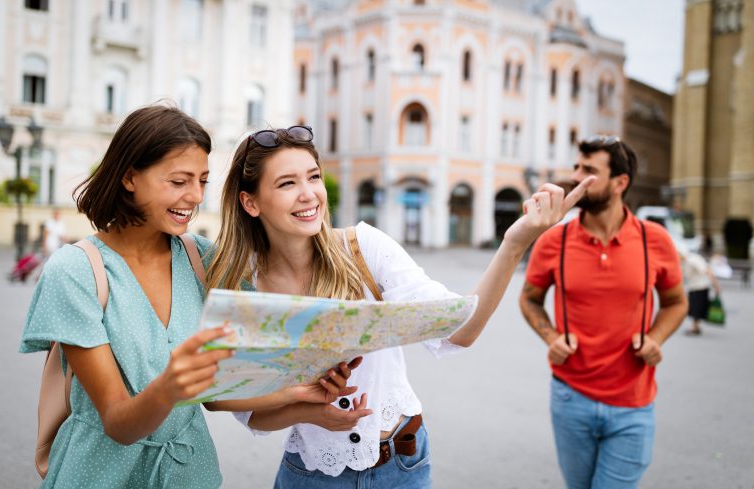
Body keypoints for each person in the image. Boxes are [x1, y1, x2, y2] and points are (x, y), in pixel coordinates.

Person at [204, 125, 594, 488]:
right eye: (287, 183)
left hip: (401, 467)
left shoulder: (363, 248)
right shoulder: (244, 286)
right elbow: (243, 407)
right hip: (310, 473)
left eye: (314, 176)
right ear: (250, 202)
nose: (309, 194)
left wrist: (514, 243)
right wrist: (309, 409)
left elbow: (460, 331)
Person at [19, 105, 361, 488]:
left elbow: (215, 395)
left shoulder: (202, 259)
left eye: (203, 181)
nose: (195, 196)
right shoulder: (74, 271)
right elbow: (118, 423)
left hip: (189, 474)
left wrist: (297, 396)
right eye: (179, 181)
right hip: (98, 474)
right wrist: (170, 387)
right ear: (130, 177)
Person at [519, 135, 688, 489]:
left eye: (589, 170)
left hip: (633, 403)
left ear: (619, 183)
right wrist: (551, 337)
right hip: (570, 399)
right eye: (576, 167)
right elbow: (530, 298)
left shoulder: (655, 240)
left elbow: (676, 301)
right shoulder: (553, 241)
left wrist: (656, 338)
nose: (576, 176)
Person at [680, 248, 722, 335]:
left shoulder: (693, 260)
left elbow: (708, 271)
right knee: (693, 307)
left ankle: (695, 327)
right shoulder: (683, 262)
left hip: (701, 286)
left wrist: (716, 286)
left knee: (697, 308)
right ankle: (695, 326)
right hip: (693, 287)